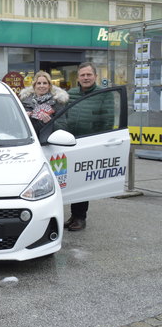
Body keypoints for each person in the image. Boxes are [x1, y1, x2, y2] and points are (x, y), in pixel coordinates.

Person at [64, 62, 114, 231]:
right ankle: (73, 215)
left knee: (82, 181)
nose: (85, 78)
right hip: (70, 142)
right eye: (82, 75)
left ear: (95, 76)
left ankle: (80, 217)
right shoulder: (70, 94)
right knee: (71, 180)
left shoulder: (104, 94)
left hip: (90, 143)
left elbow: (108, 120)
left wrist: (100, 142)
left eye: (89, 75)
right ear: (77, 77)